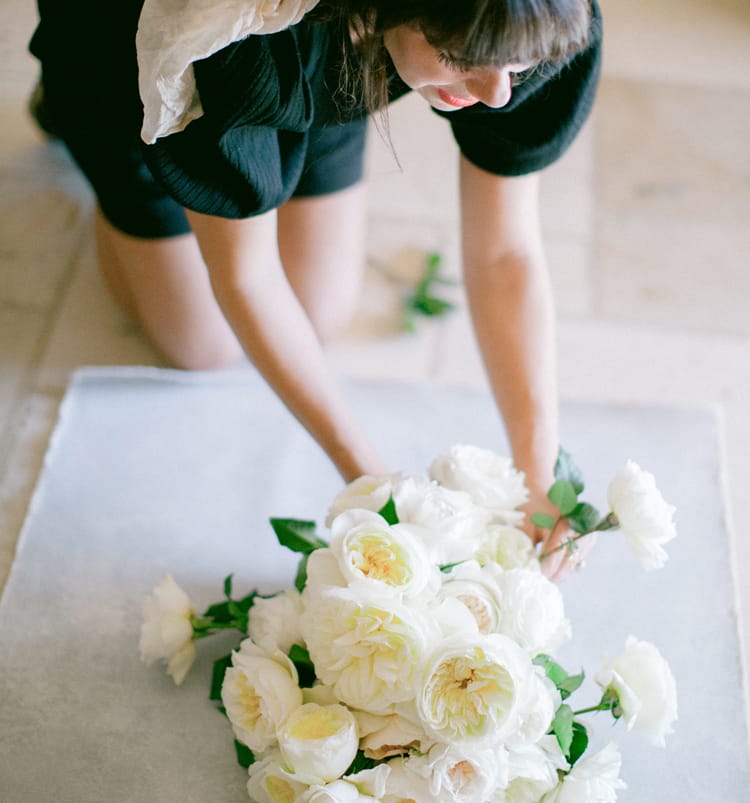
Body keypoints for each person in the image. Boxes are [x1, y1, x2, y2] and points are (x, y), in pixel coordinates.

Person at [28, 0, 602, 579]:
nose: (498, 92)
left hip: (329, 47)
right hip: (132, 57)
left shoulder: (538, 17)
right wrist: (373, 487)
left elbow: (505, 252)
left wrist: (540, 470)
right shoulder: (227, 36)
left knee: (321, 312)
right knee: (199, 343)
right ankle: (107, 151)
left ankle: (322, 104)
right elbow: (246, 277)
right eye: (460, 57)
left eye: (518, 65)